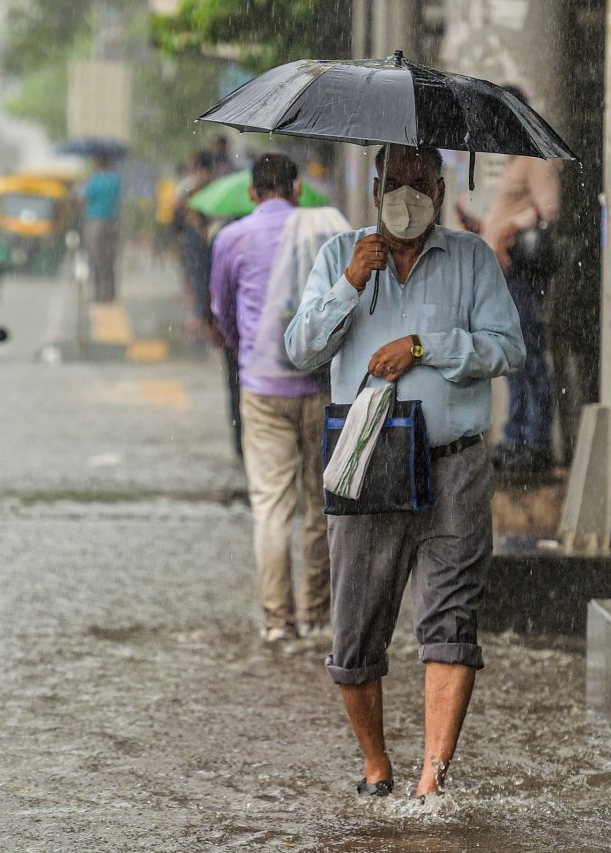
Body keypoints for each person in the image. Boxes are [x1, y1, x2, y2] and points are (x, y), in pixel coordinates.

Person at [285, 144, 525, 799]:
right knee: (356, 631)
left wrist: (427, 346)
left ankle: (432, 779)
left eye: (421, 181)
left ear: (443, 189)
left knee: (450, 623)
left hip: (455, 465)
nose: (408, 193)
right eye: (396, 181)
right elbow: (301, 348)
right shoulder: (340, 256)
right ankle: (376, 765)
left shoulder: (472, 258)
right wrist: (349, 285)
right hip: (367, 463)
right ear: (373, 188)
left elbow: (509, 348)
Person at [209, 153, 331, 642]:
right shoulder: (318, 234)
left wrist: (245, 352)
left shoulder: (231, 237)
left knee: (271, 507)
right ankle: (319, 614)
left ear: (251, 194)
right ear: (297, 190)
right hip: (319, 383)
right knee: (320, 505)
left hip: (261, 387)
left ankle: (278, 621)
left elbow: (222, 308)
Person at [482, 86, 562, 473]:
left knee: (528, 353)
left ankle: (535, 438)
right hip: (504, 270)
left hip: (520, 271)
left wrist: (506, 230)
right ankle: (515, 435)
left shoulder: (535, 155)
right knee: (514, 354)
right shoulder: (517, 155)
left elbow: (547, 209)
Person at [81, 155, 122, 303]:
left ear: (97, 164)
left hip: (94, 222)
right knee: (110, 259)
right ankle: (110, 293)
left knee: (95, 258)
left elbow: (84, 200)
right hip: (112, 221)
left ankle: (98, 293)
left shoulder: (92, 181)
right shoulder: (116, 180)